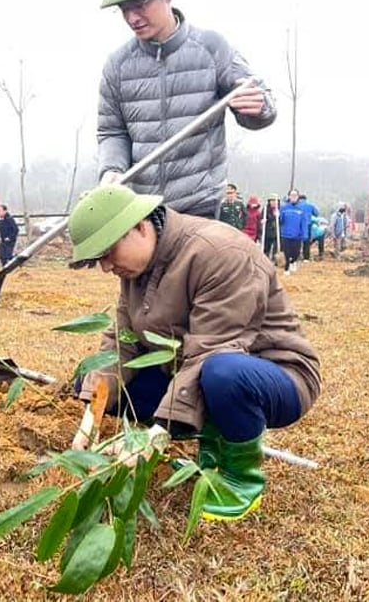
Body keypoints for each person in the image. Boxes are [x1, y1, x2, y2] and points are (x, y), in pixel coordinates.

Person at [67, 184, 320, 522]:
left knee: (222, 373)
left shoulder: (220, 253)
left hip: (272, 375)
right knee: (93, 380)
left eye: (108, 253)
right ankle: (209, 451)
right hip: (192, 373)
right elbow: (121, 344)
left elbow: (211, 348)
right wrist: (92, 415)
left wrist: (155, 436)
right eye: (99, 259)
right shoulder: (137, 269)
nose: (106, 267)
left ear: (141, 227)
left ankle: (240, 479)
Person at [96, 0, 276, 218]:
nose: (132, 18)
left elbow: (260, 103)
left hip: (202, 206)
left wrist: (258, 108)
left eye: (140, 5)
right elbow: (112, 132)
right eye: (123, 9)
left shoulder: (212, 48)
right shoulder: (117, 65)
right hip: (145, 210)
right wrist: (111, 170)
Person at [279, 190, 308, 275]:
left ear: (298, 197)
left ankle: (293, 261)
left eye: (295, 195)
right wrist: (278, 216)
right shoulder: (284, 208)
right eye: (291, 195)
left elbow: (304, 222)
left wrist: (304, 234)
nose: (293, 197)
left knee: (296, 253)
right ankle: (287, 268)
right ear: (289, 196)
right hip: (286, 234)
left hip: (297, 235)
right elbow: (281, 221)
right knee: (287, 252)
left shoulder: (301, 209)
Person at [298, 194, 320, 262]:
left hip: (297, 225)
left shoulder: (295, 205)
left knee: (297, 241)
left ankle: (296, 257)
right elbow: (316, 213)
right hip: (307, 225)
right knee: (306, 242)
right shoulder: (310, 205)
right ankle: (306, 258)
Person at [262, 193, 281, 261]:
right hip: (268, 232)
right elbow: (262, 218)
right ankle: (265, 260)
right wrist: (263, 221)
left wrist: (279, 217)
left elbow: (282, 221)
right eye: (271, 201)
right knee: (266, 247)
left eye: (275, 201)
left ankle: (275, 260)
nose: (273, 203)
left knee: (276, 248)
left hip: (277, 232)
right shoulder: (265, 209)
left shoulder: (280, 210)